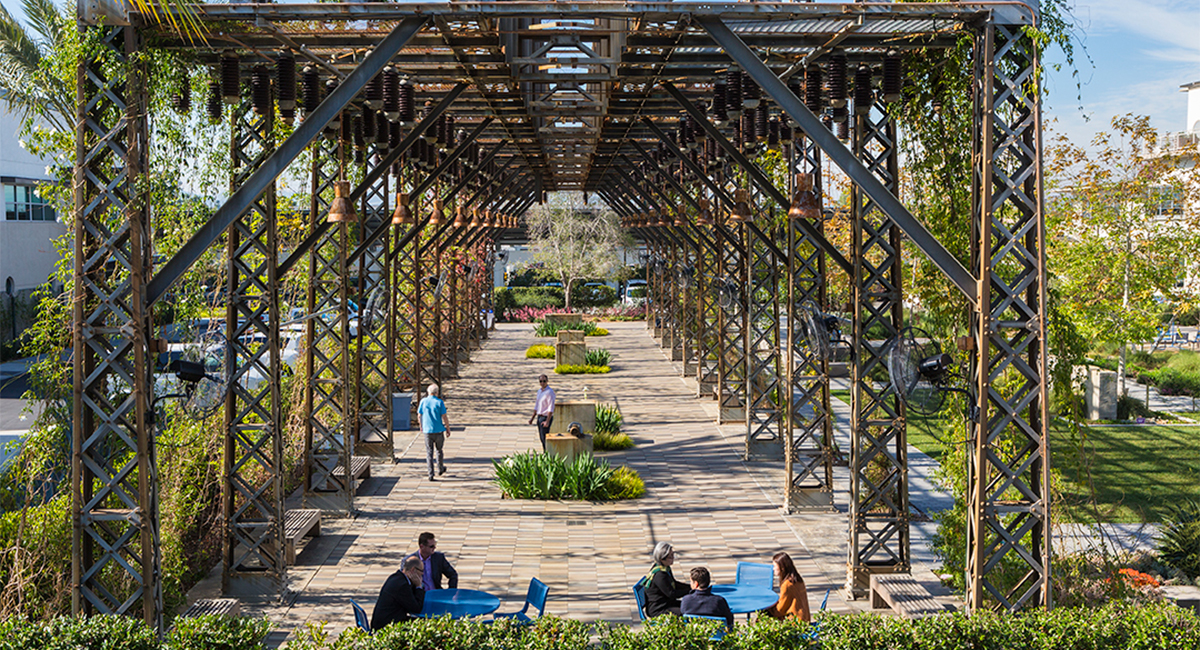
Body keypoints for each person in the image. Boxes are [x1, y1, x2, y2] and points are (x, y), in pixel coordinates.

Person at [371, 554, 426, 630]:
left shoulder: (397, 577)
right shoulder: (402, 586)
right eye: (421, 571)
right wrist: (419, 586)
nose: (422, 574)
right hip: (387, 626)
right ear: (413, 570)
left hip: (388, 620)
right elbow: (416, 608)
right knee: (425, 624)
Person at [642, 541, 690, 617]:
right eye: (670, 557)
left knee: (691, 606)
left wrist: (690, 587)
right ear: (662, 559)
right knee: (686, 611)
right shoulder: (660, 575)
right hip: (659, 609)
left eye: (673, 554)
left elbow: (674, 583)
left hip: (667, 603)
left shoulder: (665, 568)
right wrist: (689, 591)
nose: (673, 558)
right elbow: (671, 594)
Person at [763, 551, 811, 621]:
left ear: (782, 568)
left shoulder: (787, 585)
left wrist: (767, 608)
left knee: (762, 617)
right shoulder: (797, 579)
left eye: (775, 566)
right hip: (804, 618)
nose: (773, 569)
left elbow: (780, 610)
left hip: (795, 622)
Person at [417, 383, 449, 481]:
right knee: (439, 450)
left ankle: (430, 473)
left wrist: (421, 426)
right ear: (437, 392)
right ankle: (440, 468)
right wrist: (447, 427)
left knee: (429, 452)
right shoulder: (439, 402)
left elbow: (419, 415)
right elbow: (444, 416)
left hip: (427, 430)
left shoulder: (423, 401)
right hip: (439, 430)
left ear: (428, 392)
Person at [527, 374, 555, 452]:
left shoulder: (549, 392)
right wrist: (532, 418)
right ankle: (545, 452)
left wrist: (547, 421)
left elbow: (551, 407)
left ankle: (548, 453)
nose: (542, 383)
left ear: (547, 381)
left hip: (546, 417)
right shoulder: (539, 391)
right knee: (541, 438)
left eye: (544, 381)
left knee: (545, 438)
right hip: (539, 417)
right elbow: (537, 405)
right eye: (541, 381)